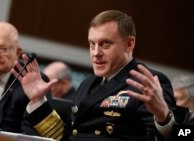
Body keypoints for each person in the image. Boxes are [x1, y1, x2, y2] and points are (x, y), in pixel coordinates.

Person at [11, 10, 176, 141]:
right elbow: (65, 137)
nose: (96, 53)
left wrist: (163, 117)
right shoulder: (87, 84)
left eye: (106, 44)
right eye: (92, 44)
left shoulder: (148, 82)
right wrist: (39, 101)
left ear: (129, 44)